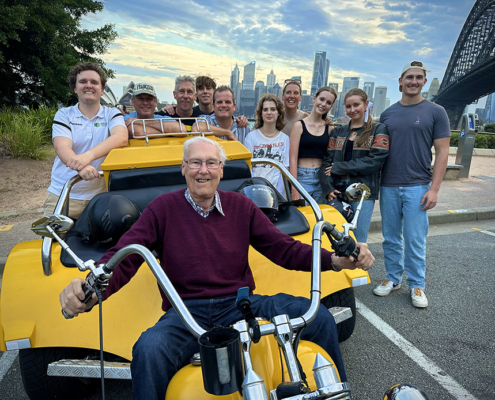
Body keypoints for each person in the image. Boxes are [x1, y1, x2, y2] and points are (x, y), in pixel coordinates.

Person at [59, 136, 375, 400]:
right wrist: (90, 288)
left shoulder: (242, 206)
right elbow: (125, 256)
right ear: (183, 168)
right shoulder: (162, 209)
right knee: (148, 349)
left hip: (240, 304)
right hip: (185, 313)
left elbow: (284, 250)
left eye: (211, 163)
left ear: (221, 170)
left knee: (319, 317)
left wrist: (333, 260)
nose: (203, 170)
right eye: (195, 162)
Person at [373, 61, 450, 308]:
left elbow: (443, 152)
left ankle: (417, 284)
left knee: (415, 238)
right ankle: (393, 278)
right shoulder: (388, 114)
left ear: (424, 82)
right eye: (409, 77)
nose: (413, 81)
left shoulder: (436, 111)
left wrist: (434, 189)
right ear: (400, 81)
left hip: (418, 184)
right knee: (391, 237)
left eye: (418, 78)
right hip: (389, 184)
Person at [44, 62, 128, 219]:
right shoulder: (64, 114)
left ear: (102, 90)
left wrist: (87, 157)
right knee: (54, 243)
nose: (89, 86)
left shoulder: (112, 114)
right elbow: (61, 146)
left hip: (100, 198)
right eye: (83, 82)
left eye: (94, 82)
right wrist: (80, 168)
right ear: (75, 88)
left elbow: (121, 137)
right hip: (63, 194)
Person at [319, 88, 389, 243]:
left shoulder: (378, 129)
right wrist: (327, 187)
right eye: (348, 106)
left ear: (365, 105)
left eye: (356, 105)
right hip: (337, 190)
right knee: (334, 239)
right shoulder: (338, 131)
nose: (352, 110)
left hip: (361, 192)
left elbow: (375, 161)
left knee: (358, 240)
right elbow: (326, 162)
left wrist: (340, 167)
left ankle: (357, 267)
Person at [289, 86, 337, 204]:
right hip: (302, 177)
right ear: (314, 98)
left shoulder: (330, 129)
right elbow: (292, 159)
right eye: (321, 99)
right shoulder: (299, 126)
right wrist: (295, 189)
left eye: (328, 102)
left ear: (331, 106)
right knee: (303, 218)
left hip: (322, 178)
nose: (324, 104)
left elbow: (332, 156)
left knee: (319, 219)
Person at [161, 75, 250, 128]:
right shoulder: (166, 113)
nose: (205, 91)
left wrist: (239, 119)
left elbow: (226, 119)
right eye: (181, 92)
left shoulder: (207, 117)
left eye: (208, 88)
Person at [245, 94, 290, 198]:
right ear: (260, 113)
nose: (269, 112)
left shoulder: (285, 139)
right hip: (255, 191)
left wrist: (276, 193)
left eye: (273, 109)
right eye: (265, 109)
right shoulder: (251, 137)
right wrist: (256, 189)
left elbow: (285, 170)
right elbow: (248, 167)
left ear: (279, 113)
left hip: (277, 194)